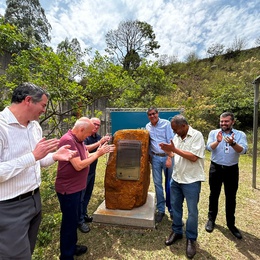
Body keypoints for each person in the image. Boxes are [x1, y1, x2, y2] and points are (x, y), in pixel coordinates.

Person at [0, 82, 76, 259]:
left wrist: (55, 156)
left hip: (34, 200)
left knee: (28, 251)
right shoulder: (2, 127)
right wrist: (33, 156)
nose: (44, 110)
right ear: (28, 100)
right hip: (9, 207)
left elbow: (38, 162)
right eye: (43, 105)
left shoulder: (35, 127)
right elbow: (33, 158)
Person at [55, 117, 114, 259]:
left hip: (76, 188)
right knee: (69, 224)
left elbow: (86, 155)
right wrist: (98, 154)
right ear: (81, 129)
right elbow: (79, 165)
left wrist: (101, 151)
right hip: (68, 190)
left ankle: (72, 247)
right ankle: (66, 255)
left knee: (73, 220)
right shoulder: (68, 140)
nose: (88, 136)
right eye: (87, 134)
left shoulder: (78, 140)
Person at [159, 114, 205, 259]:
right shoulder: (178, 137)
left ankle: (191, 239)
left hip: (191, 180)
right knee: (175, 206)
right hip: (176, 178)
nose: (174, 132)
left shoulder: (197, 136)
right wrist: (169, 152)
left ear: (184, 126)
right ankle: (177, 231)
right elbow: (176, 154)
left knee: (192, 211)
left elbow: (193, 157)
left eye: (175, 129)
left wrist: (175, 150)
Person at [205, 111, 248, 239]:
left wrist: (233, 144)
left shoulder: (240, 134)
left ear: (232, 122)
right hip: (216, 168)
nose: (223, 123)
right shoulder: (214, 133)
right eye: (222, 121)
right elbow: (208, 148)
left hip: (232, 170)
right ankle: (211, 220)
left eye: (226, 121)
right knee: (214, 194)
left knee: (231, 197)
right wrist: (218, 142)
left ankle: (231, 224)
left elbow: (244, 150)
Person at [78, 117, 111, 233]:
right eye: (94, 124)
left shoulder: (97, 137)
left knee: (87, 195)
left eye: (98, 125)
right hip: (83, 171)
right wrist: (99, 143)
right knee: (81, 197)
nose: (96, 127)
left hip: (92, 170)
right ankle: (79, 221)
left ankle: (84, 214)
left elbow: (100, 149)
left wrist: (104, 142)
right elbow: (85, 149)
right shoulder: (84, 135)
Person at [145, 107, 174, 223]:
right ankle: (161, 210)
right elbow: (149, 143)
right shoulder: (147, 126)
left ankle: (172, 210)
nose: (152, 116)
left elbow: (171, 141)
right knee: (158, 184)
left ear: (158, 114)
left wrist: (169, 158)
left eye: (154, 113)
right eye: (150, 114)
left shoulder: (166, 124)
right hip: (155, 158)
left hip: (167, 157)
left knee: (170, 184)